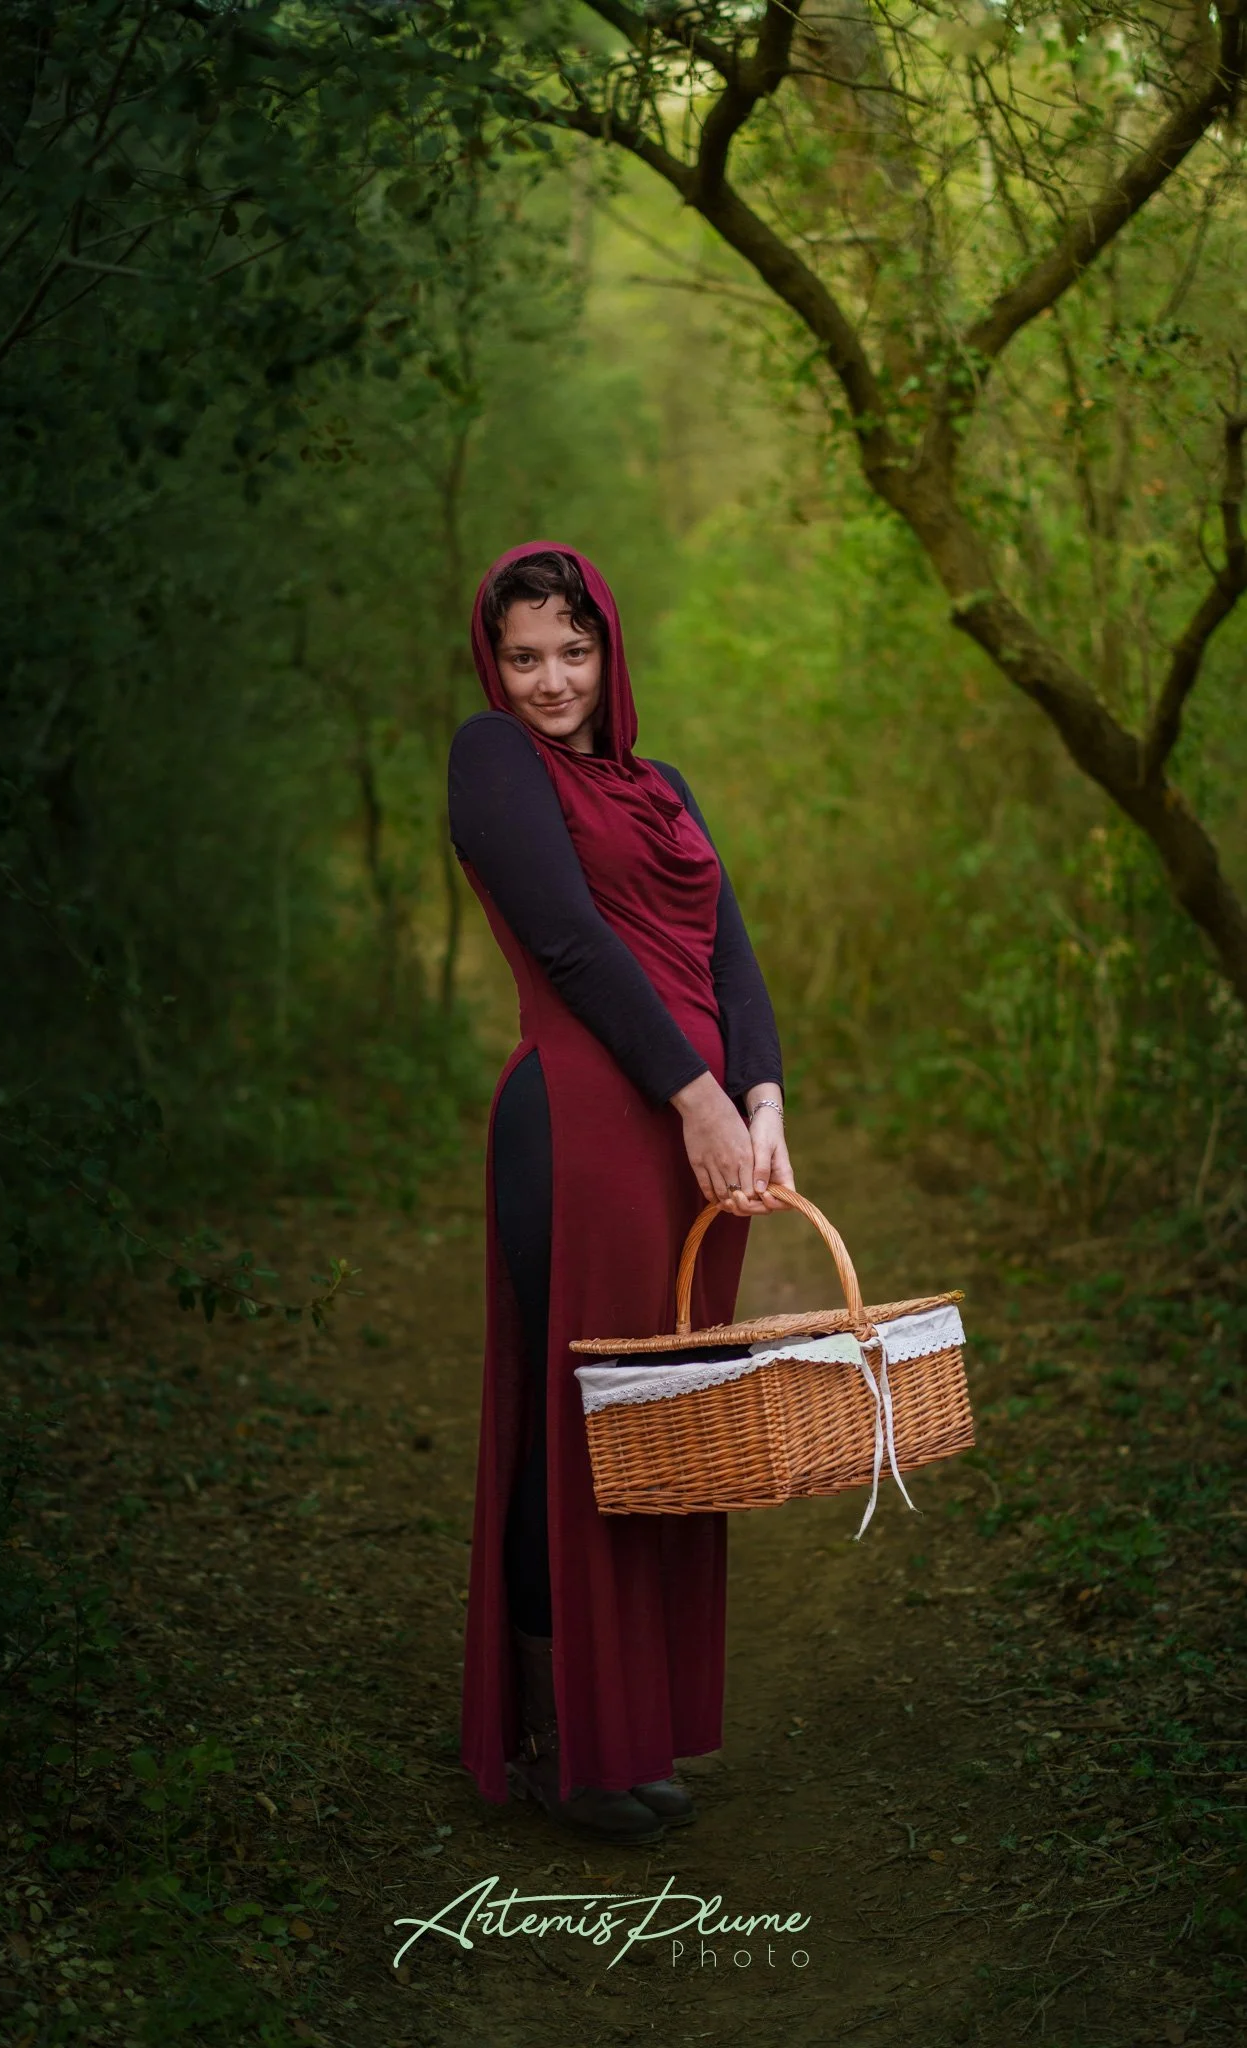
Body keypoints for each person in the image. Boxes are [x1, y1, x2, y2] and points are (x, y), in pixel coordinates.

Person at [448, 541, 793, 1843]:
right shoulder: (492, 760)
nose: (550, 680)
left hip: (696, 1135)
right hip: (588, 1122)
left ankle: (630, 1729)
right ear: (496, 663)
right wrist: (694, 1097)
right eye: (525, 656)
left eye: (573, 652)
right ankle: (562, 1746)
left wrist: (759, 1101)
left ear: (609, 652)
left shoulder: (663, 784)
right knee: (581, 1420)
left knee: (669, 1425)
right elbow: (569, 942)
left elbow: (728, 949)